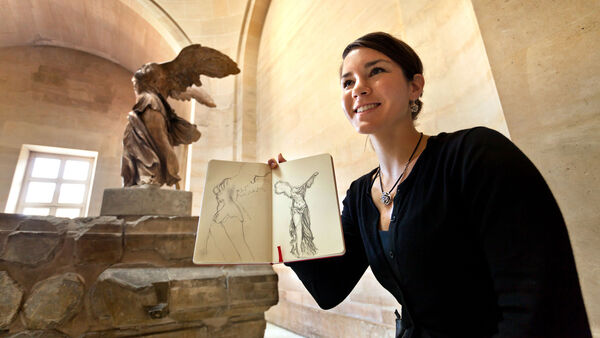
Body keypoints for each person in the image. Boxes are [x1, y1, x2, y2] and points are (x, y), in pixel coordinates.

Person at [267, 32, 591, 337]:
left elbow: (536, 300)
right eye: (347, 81)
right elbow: (329, 288)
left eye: (375, 71)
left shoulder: (475, 156)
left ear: (415, 86)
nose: (358, 88)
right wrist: (285, 214)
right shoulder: (359, 197)